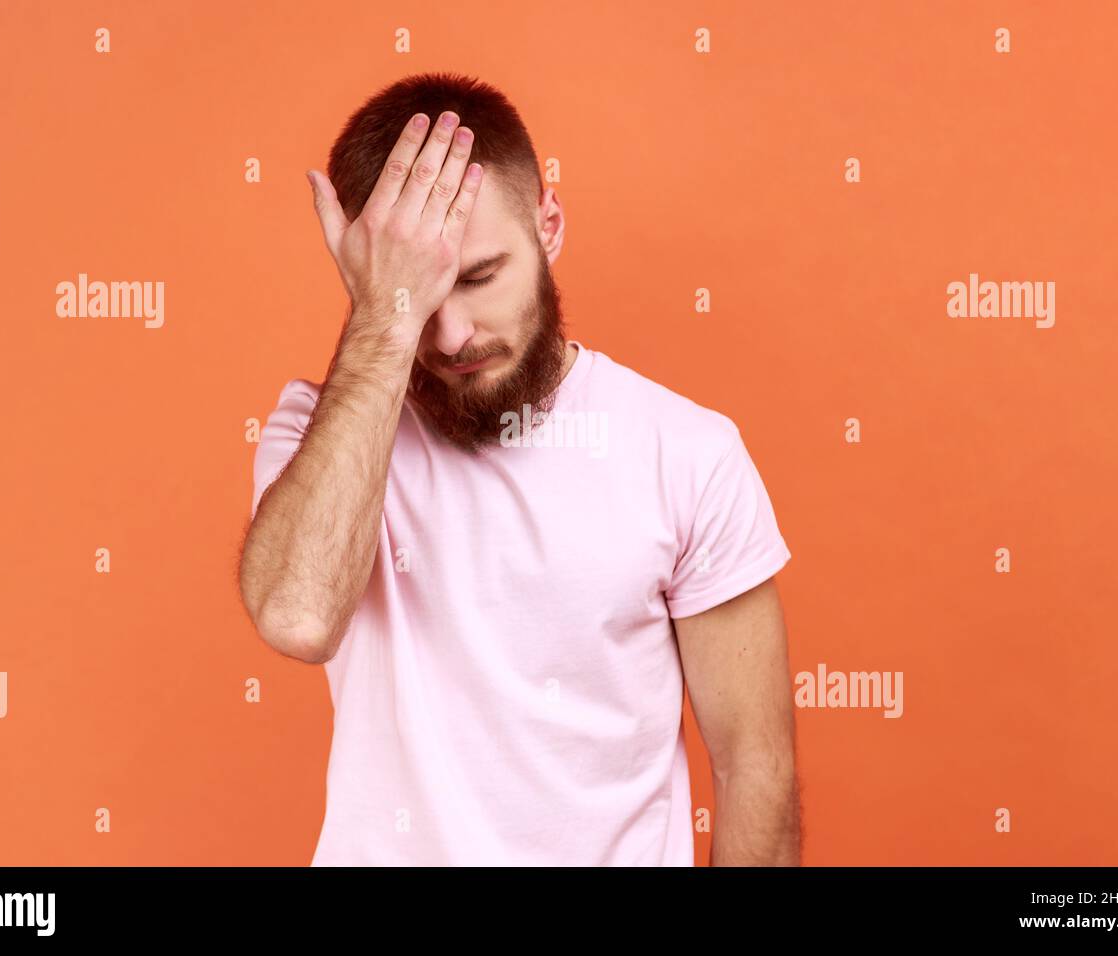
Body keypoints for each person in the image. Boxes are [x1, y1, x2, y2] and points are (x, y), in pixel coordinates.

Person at [238, 72, 799, 866]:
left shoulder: (687, 452)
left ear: (550, 225)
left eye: (477, 277)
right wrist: (378, 324)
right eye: (416, 295)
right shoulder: (314, 435)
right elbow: (298, 617)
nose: (453, 334)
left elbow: (756, 769)